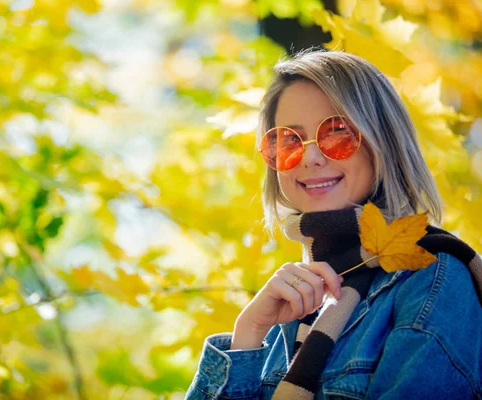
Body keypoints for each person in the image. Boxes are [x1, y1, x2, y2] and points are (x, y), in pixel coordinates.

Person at [184, 50, 482, 400]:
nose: (311, 157)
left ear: (381, 142)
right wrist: (247, 335)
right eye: (289, 140)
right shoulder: (287, 308)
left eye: (338, 132)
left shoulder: (430, 278)